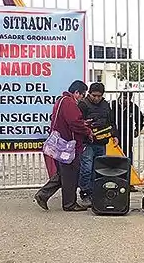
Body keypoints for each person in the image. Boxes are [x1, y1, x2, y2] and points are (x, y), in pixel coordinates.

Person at [35, 81, 92, 211]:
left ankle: (43, 195)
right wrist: (87, 130)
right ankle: (69, 204)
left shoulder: (61, 101)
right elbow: (75, 123)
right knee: (71, 173)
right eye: (82, 95)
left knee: (63, 174)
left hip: (62, 144)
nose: (82, 98)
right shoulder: (69, 103)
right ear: (77, 93)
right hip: (68, 145)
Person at [77, 82, 116, 202]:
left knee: (99, 169)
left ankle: (95, 192)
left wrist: (115, 135)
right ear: (89, 94)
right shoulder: (83, 105)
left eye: (99, 96)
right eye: (94, 95)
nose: (97, 98)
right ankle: (85, 192)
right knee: (87, 168)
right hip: (87, 142)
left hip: (101, 142)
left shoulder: (105, 105)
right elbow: (78, 123)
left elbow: (111, 121)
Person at [111, 91, 144, 163]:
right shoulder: (112, 105)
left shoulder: (133, 107)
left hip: (127, 135)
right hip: (113, 133)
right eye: (124, 98)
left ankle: (129, 171)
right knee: (113, 153)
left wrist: (137, 129)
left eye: (128, 98)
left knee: (127, 155)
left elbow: (140, 119)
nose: (126, 100)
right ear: (120, 96)